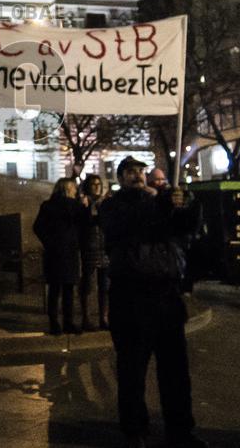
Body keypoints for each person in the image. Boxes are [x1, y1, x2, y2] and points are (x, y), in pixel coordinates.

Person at [100, 156, 206, 448]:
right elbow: (129, 226)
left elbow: (186, 228)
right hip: (131, 298)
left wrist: (189, 203)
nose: (138, 175)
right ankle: (134, 429)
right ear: (121, 177)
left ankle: (180, 429)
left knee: (175, 370)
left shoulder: (160, 202)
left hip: (166, 295)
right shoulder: (113, 205)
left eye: (141, 171)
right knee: (132, 370)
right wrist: (160, 204)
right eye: (131, 171)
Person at [33, 177, 88, 335]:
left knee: (55, 289)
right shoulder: (75, 206)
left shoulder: (48, 205)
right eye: (74, 188)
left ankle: (54, 323)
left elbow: (38, 226)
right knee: (68, 289)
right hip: (69, 251)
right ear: (68, 189)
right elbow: (85, 224)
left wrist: (49, 242)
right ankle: (68, 322)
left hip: (55, 252)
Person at [79, 174, 110, 330]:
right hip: (89, 248)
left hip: (104, 248)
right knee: (87, 285)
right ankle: (86, 317)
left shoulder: (106, 203)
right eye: (93, 184)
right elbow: (83, 223)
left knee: (104, 286)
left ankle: (104, 318)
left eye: (99, 184)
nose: (96, 187)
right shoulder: (83, 203)